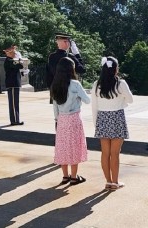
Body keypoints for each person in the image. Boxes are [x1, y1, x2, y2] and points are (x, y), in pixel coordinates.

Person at [91, 56, 133, 190]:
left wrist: (96, 124)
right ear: (115, 69)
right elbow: (130, 100)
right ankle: (115, 182)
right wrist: (122, 102)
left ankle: (108, 181)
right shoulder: (121, 84)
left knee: (105, 153)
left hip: (102, 119)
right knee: (115, 153)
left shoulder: (96, 84)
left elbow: (94, 106)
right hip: (117, 118)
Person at [50, 57, 90, 185]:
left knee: (63, 147)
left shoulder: (54, 84)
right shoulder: (75, 84)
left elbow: (55, 106)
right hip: (74, 119)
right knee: (74, 147)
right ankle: (74, 177)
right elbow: (87, 100)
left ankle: (65, 176)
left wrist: (57, 120)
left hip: (61, 119)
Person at [46, 32, 86, 104]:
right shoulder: (70, 56)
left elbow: (49, 76)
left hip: (55, 91)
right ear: (67, 43)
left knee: (58, 114)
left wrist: (52, 90)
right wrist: (77, 54)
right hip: (69, 91)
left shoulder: (51, 57)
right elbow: (82, 69)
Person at [3, 45, 24, 126]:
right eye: (14, 53)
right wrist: (20, 60)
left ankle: (16, 119)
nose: (15, 54)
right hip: (12, 84)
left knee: (16, 103)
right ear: (9, 53)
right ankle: (14, 120)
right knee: (13, 103)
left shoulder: (12, 60)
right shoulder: (9, 61)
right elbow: (20, 65)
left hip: (14, 84)